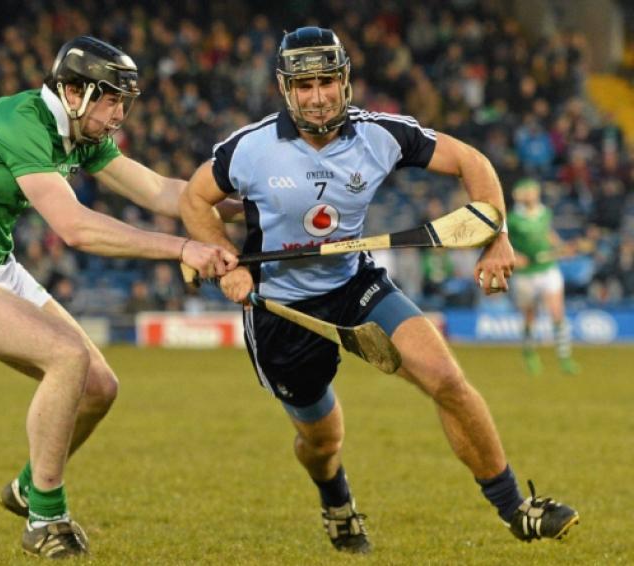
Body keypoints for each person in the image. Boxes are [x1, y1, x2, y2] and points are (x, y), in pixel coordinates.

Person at [180, 26, 579, 554]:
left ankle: (515, 508)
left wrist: (498, 236)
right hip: (281, 307)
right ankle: (336, 501)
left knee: (446, 379)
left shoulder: (380, 135)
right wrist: (227, 262)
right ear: (284, 89)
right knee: (322, 443)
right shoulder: (249, 149)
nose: (317, 95)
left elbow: (471, 162)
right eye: (304, 85)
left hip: (355, 283)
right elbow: (193, 199)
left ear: (345, 81)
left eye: (327, 80)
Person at [0, 36, 238, 559]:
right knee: (66, 355)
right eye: (110, 99)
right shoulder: (23, 124)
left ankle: (30, 485)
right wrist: (183, 248)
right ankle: (45, 519)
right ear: (72, 90)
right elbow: (75, 228)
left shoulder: (79, 130)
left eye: (124, 101)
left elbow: (163, 192)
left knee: (99, 387)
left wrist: (244, 210)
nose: (119, 114)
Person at [507, 178, 580, 375]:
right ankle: (529, 353)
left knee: (557, 312)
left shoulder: (545, 212)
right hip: (525, 274)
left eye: (534, 191)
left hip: (547, 268)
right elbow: (503, 243)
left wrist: (561, 247)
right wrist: (515, 255)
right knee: (530, 316)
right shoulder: (513, 218)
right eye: (528, 191)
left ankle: (564, 357)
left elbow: (548, 233)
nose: (532, 194)